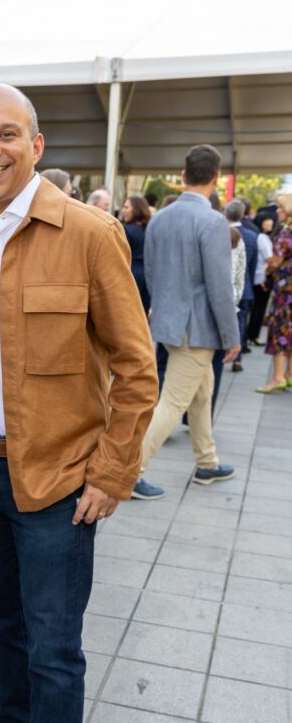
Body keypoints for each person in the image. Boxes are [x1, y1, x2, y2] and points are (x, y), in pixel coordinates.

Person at [0, 83, 157, 723]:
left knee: (53, 645)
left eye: (6, 133)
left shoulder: (90, 233)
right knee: (2, 623)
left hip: (59, 480)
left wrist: (111, 473)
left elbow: (137, 368)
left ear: (35, 146)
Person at [132, 145, 240, 500]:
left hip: (168, 322)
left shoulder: (160, 218)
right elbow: (219, 286)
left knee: (201, 395)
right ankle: (130, 472)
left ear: (183, 175)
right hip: (197, 329)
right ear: (216, 179)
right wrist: (232, 335)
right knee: (173, 402)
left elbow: (151, 272)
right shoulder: (213, 221)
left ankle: (207, 462)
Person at [256, 193, 292, 393]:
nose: (277, 210)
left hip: (285, 292)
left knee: (280, 331)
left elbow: (275, 261)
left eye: (280, 207)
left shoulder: (286, 234)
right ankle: (289, 374)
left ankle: (277, 377)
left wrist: (267, 269)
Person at [224, 199, 256, 372]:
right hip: (244, 285)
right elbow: (252, 265)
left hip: (227, 286)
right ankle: (238, 359)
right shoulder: (251, 235)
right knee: (241, 322)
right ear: (243, 214)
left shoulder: (221, 233)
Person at [120, 194, 152, 313]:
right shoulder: (150, 229)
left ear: (136, 209)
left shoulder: (126, 230)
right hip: (148, 276)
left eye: (126, 207)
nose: (123, 210)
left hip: (131, 274)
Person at [248, 214, 274, 345]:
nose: (270, 222)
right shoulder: (262, 238)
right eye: (267, 220)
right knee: (259, 308)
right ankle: (253, 335)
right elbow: (269, 259)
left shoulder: (263, 237)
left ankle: (252, 335)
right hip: (262, 277)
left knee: (258, 307)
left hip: (259, 276)